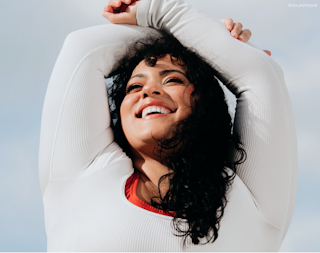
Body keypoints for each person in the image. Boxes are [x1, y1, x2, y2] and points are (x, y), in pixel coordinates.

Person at [39, 0, 297, 251]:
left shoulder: (252, 203)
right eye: (134, 87)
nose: (148, 90)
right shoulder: (80, 176)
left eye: (172, 79)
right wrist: (203, 35)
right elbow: (82, 48)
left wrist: (170, 17)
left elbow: (262, 74)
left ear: (205, 101)